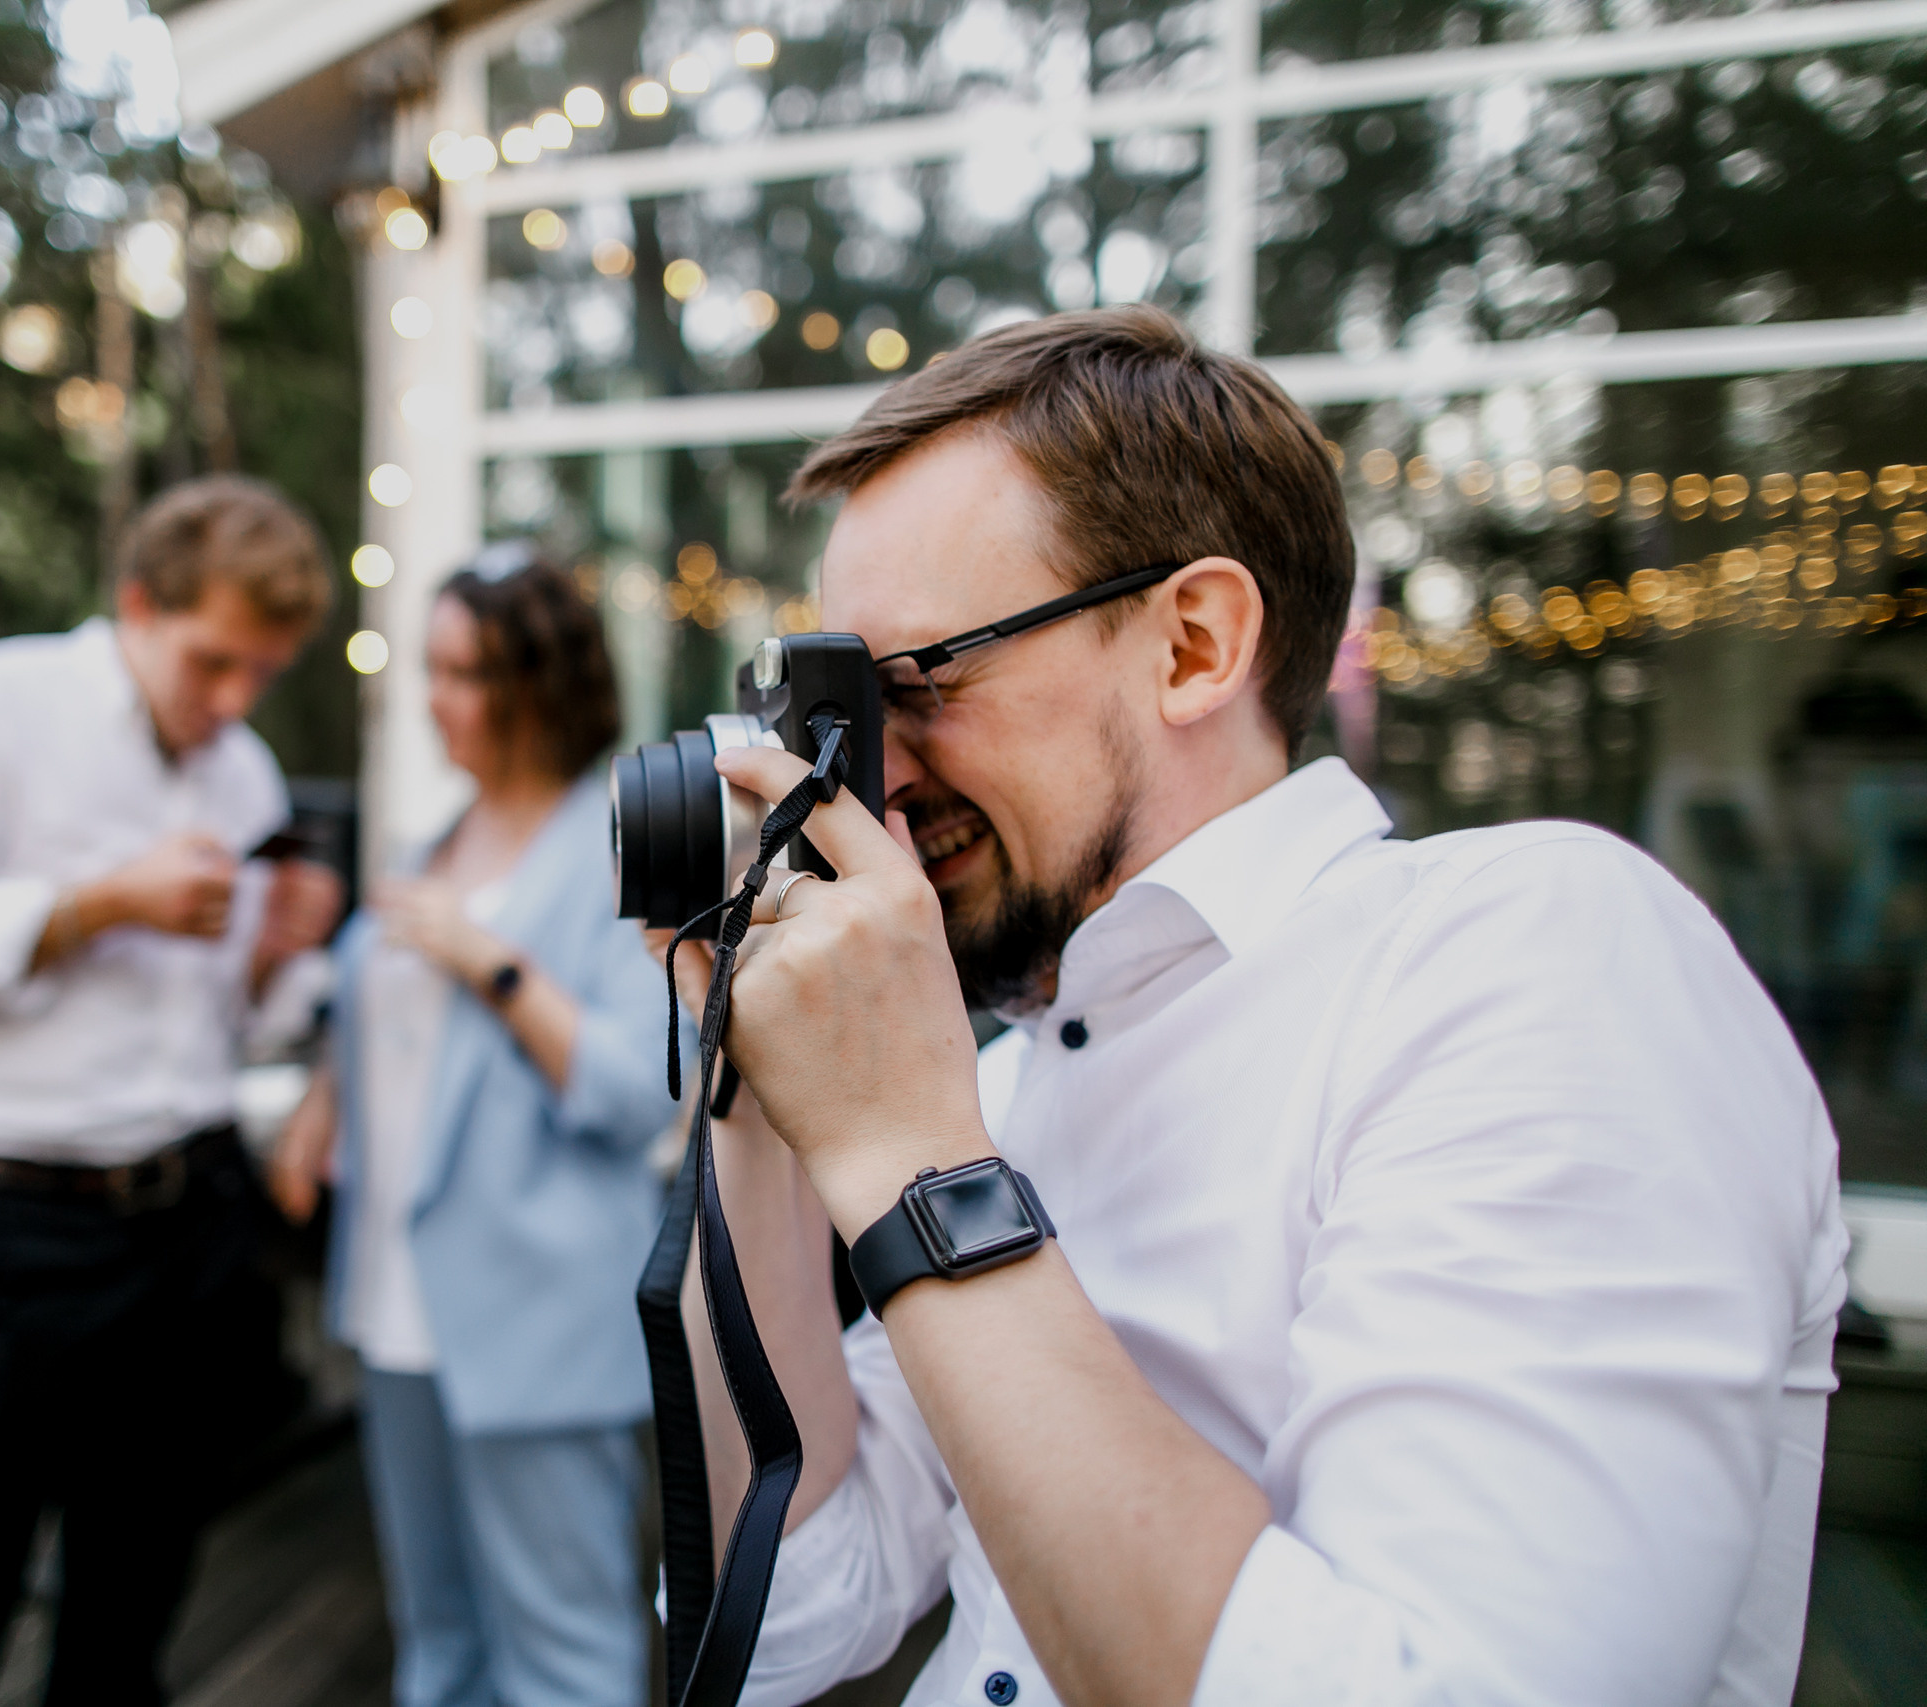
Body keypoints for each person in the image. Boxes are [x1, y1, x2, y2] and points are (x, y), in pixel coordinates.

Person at [664, 307, 1848, 1707]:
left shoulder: (1532, 953)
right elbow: (787, 1608)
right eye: (832, 709)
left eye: (914, 679)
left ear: (1193, 644)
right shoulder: (1016, 1083)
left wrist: (908, 1161)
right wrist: (740, 1080)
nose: (868, 775)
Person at [0, 473, 348, 1707]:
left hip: (194, 1219)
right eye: (211, 664)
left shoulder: (245, 777)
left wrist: (273, 954)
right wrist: (101, 902)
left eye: (261, 675)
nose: (232, 705)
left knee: (136, 1589)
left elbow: (229, 1022)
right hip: (18, 1229)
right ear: (135, 603)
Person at [268, 546, 673, 1707]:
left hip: (537, 1313)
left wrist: (488, 960)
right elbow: (391, 1024)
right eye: (429, 670)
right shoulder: (430, 845)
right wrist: (323, 1101)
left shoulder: (616, 846)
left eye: (463, 673)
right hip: (395, 1302)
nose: (432, 700)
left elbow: (630, 1086)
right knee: (434, 1639)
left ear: (537, 683)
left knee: (566, 1654)